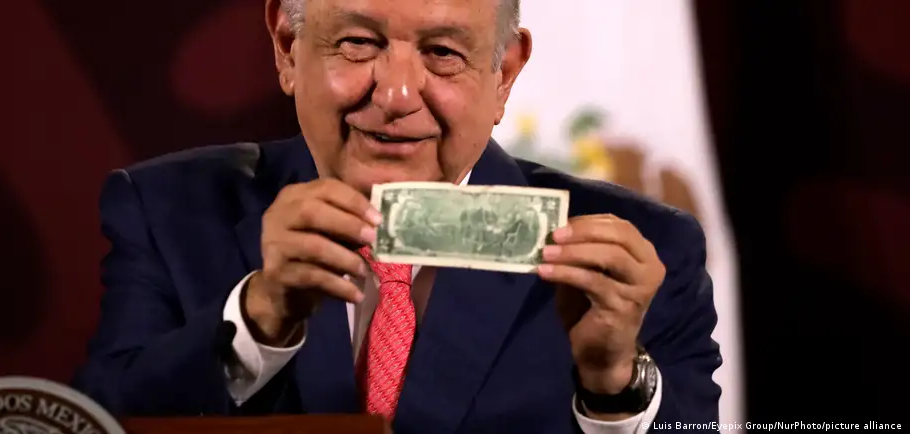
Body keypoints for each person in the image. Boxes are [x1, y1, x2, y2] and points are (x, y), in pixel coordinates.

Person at [72, 0, 723, 432]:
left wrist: (615, 385)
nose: (397, 93)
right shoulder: (166, 212)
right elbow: (89, 423)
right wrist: (257, 319)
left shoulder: (647, 253)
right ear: (288, 46)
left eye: (443, 53)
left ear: (504, 73)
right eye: (358, 43)